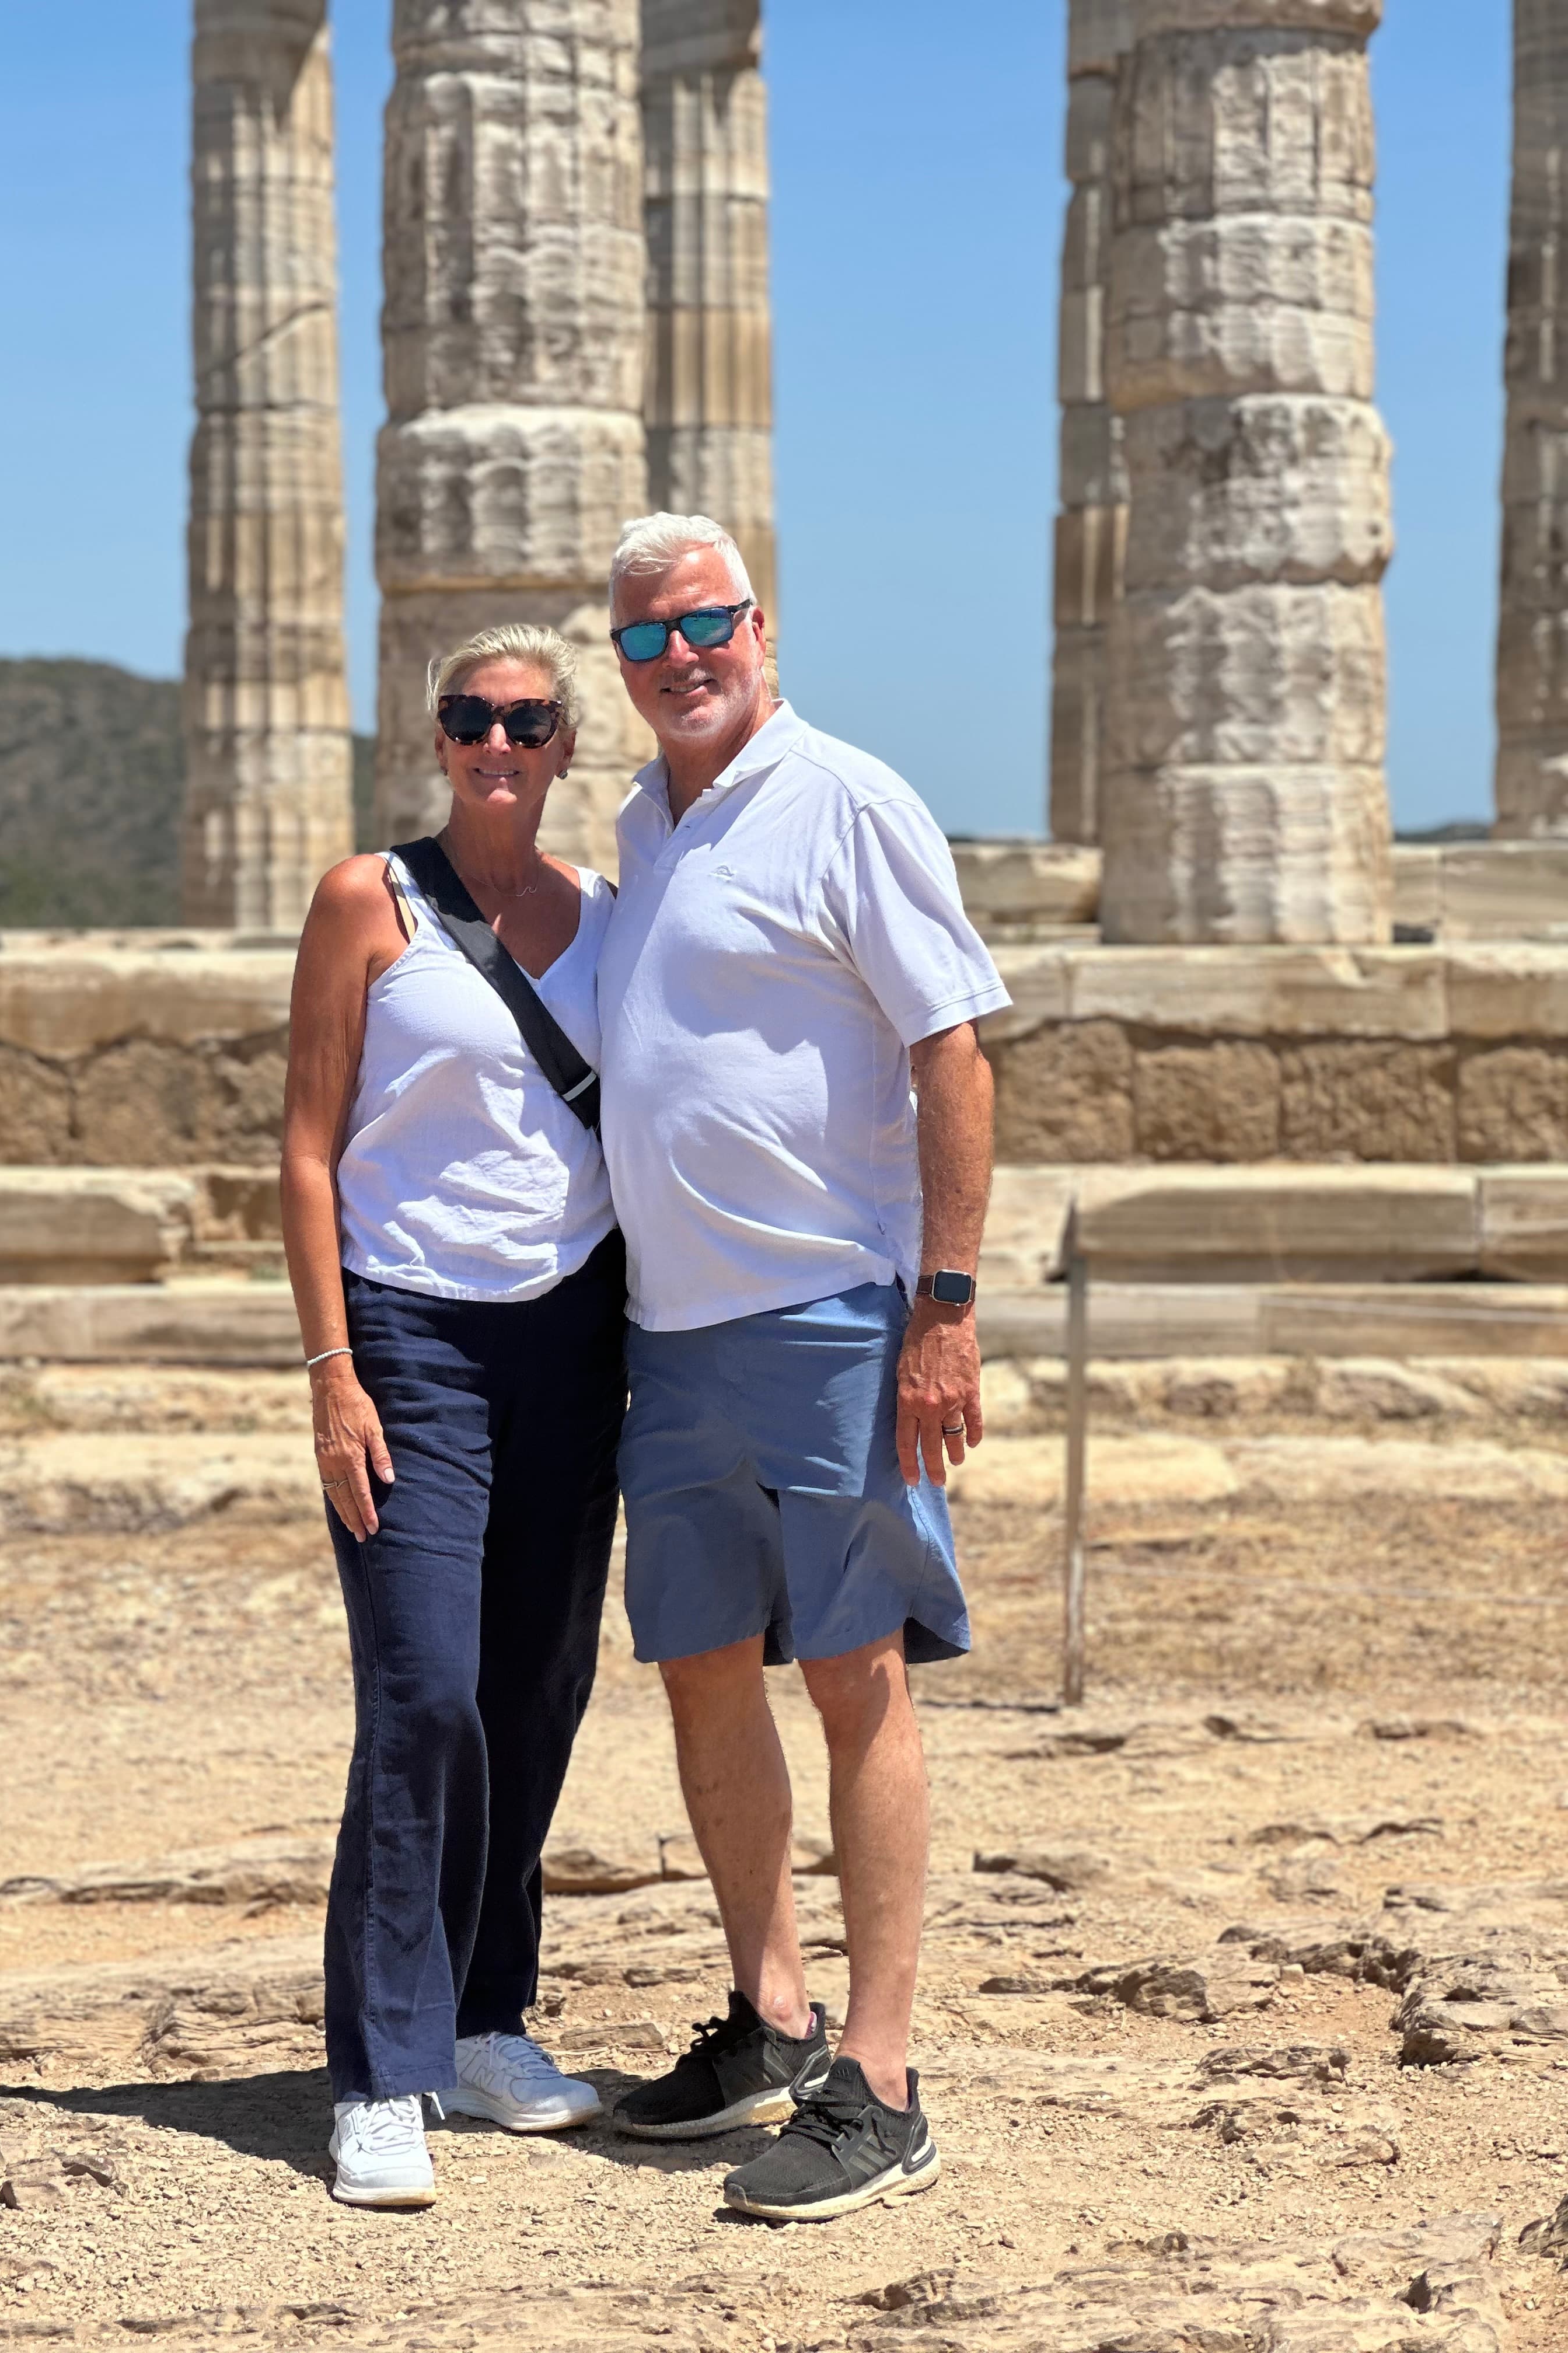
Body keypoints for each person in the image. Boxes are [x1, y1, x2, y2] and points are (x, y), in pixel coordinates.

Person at [596, 514, 1010, 2222]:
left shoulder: (848, 796)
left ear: (761, 627)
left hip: (837, 1317)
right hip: (672, 1337)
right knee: (702, 1670)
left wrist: (947, 1303)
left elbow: (953, 1048)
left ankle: (887, 2076)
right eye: (645, 640)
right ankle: (770, 2017)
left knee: (858, 1678)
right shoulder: (639, 820)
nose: (681, 658)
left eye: (706, 624)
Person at [280, 624, 626, 2209]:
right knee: (422, 1693)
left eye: (527, 721)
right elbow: (304, 1145)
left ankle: (487, 2020)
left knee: (536, 1690)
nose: (498, 743)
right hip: (409, 1336)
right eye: (471, 719)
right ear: (439, 738)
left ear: (565, 746)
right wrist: (330, 1369)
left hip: (575, 1338)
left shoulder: (612, 925)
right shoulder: (369, 899)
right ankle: (381, 2072)